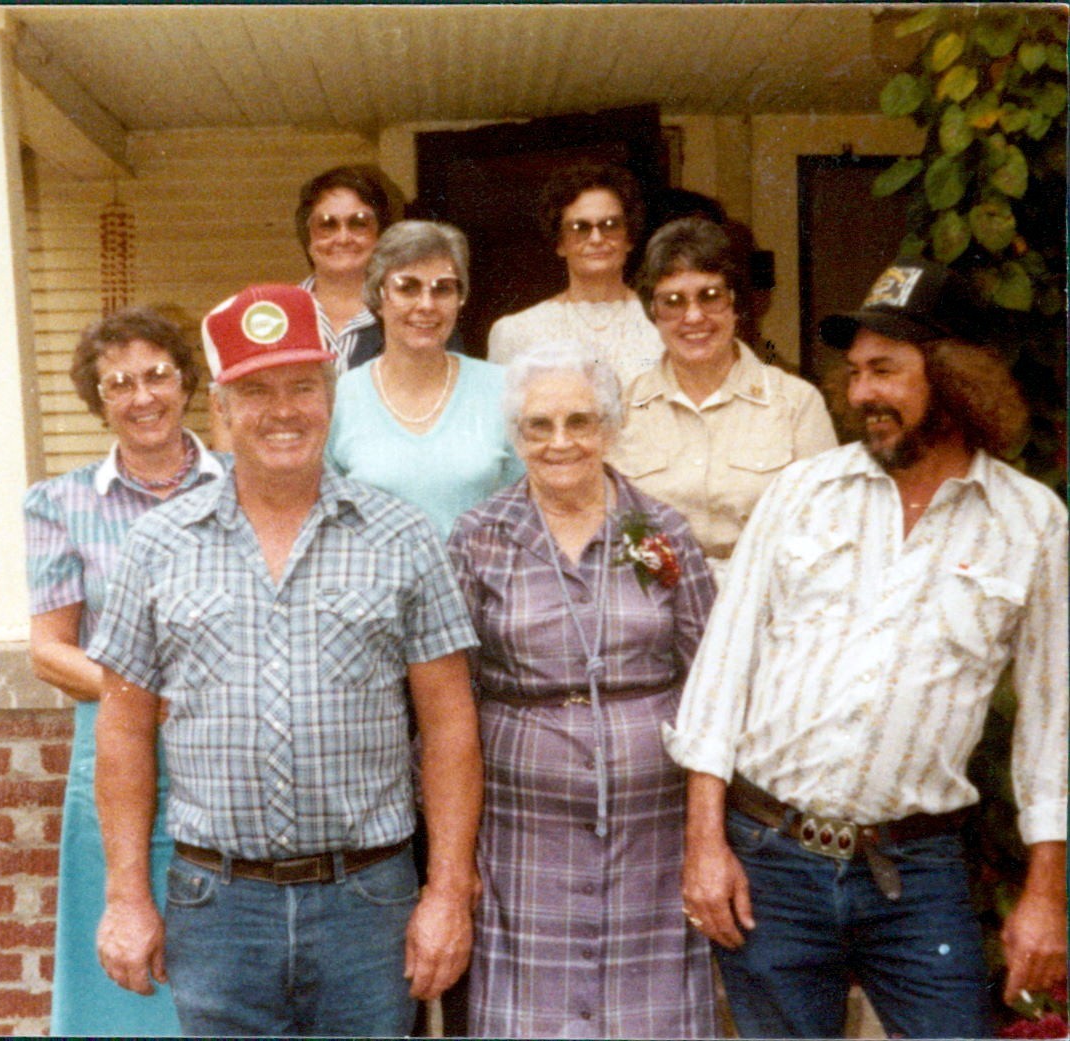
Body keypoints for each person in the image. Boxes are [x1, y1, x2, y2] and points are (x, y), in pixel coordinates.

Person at [665, 256, 1068, 1038]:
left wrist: (1047, 893)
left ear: (955, 376)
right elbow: (722, 670)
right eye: (854, 373)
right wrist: (704, 843)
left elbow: (1053, 727)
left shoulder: (1032, 523)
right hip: (770, 858)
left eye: (884, 371)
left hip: (917, 871)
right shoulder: (803, 492)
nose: (858, 395)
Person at [86, 283, 484, 1037]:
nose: (283, 411)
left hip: (368, 902)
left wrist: (446, 892)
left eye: (303, 386)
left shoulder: (401, 537)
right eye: (256, 391)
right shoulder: (157, 546)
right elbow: (124, 729)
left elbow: (450, 724)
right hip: (217, 907)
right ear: (221, 408)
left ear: (331, 399)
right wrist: (127, 896)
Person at [448, 341, 717, 1038]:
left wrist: (711, 834)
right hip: (523, 839)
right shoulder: (480, 538)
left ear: (610, 427)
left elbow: (710, 686)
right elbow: (448, 702)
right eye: (539, 425)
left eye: (580, 421)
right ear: (517, 436)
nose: (560, 441)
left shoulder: (660, 532)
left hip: (651, 837)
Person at [23, 306, 224, 1037]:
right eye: (119, 384)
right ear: (98, 400)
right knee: (123, 962)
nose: (143, 397)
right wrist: (147, 700)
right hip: (114, 752)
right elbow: (50, 649)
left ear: (186, 383)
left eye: (157, 375)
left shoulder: (241, 484)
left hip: (227, 748)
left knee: (229, 955)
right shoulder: (59, 502)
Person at [609, 218, 837, 580]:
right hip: (656, 596)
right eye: (673, 302)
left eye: (710, 296)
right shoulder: (622, 409)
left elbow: (826, 527)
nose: (693, 316)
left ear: (735, 302)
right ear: (653, 312)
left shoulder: (796, 403)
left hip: (765, 593)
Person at [326, 220, 525, 538]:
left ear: (460, 297)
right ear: (378, 295)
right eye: (407, 287)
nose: (426, 305)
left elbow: (526, 509)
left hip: (483, 569)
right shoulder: (341, 397)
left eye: (443, 289)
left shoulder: (504, 389)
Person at [487, 162, 664, 383]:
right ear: (560, 242)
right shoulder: (518, 332)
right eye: (580, 228)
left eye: (610, 225)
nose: (596, 238)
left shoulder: (664, 321)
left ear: (629, 237)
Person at [295, 165, 391, 375]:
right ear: (307, 235)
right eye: (327, 225)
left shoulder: (412, 314)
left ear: (380, 234)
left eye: (359, 223)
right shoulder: (278, 314)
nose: (343, 238)